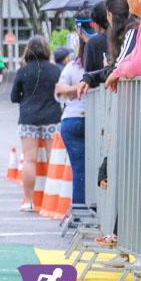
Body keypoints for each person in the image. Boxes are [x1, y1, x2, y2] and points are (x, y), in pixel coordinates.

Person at [10, 35, 62, 212]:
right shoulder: (55, 70)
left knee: (30, 160)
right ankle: (50, 202)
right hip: (52, 118)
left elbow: (14, 97)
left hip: (29, 118)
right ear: (47, 50)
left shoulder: (23, 71)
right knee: (52, 160)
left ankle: (30, 201)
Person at [55, 34, 86, 207]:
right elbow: (58, 90)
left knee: (79, 169)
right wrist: (82, 88)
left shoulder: (72, 66)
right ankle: (86, 210)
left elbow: (59, 91)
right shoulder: (92, 66)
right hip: (87, 119)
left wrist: (72, 90)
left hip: (70, 119)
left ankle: (80, 211)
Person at [85, 2, 110, 73]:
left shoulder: (93, 42)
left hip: (100, 82)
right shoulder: (124, 36)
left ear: (96, 24)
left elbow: (89, 71)